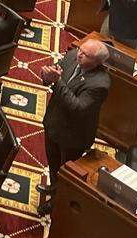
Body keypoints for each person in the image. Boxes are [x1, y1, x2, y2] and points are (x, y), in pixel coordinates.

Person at [37, 39, 111, 215]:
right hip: (54, 122)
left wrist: (57, 81)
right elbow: (54, 73)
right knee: (53, 164)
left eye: (85, 54)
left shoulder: (100, 83)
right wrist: (46, 76)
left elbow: (77, 108)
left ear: (97, 62)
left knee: (66, 172)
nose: (79, 54)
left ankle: (57, 203)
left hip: (73, 136)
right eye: (80, 49)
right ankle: (55, 186)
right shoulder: (72, 56)